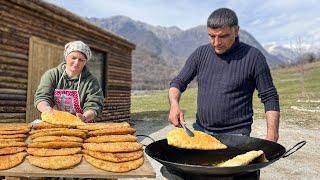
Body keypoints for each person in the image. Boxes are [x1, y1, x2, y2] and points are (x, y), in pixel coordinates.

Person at [168, 8, 280, 142]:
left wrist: (272, 134)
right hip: (201, 131)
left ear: (236, 31)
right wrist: (174, 104)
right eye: (211, 36)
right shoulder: (200, 53)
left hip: (236, 136)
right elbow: (178, 82)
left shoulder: (254, 57)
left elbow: (269, 97)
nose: (216, 42)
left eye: (222, 36)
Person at [34, 40, 104, 123]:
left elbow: (94, 104)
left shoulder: (91, 81)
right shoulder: (52, 75)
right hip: (55, 121)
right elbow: (42, 97)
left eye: (81, 60)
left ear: (85, 62)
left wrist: (84, 117)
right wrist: (47, 109)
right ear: (66, 57)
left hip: (82, 124)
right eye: (73, 58)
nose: (76, 62)